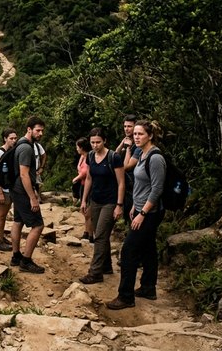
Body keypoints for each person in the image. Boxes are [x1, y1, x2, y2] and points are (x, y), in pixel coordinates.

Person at [107, 120, 166, 310]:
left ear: (150, 135)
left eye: (140, 134)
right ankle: (149, 288)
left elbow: (157, 190)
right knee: (148, 248)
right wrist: (134, 207)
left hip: (150, 212)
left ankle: (125, 296)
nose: (137, 137)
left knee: (129, 251)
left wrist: (142, 212)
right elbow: (139, 182)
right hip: (140, 208)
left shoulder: (156, 158)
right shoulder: (142, 153)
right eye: (135, 134)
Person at [79, 127, 126, 284]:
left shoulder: (114, 157)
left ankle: (95, 272)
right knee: (101, 234)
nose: (95, 145)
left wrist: (119, 205)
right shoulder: (91, 156)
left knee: (99, 235)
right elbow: (90, 179)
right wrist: (84, 200)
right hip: (96, 200)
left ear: (104, 141)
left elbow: (121, 183)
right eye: (92, 142)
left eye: (98, 142)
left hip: (110, 201)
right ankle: (106, 266)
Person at [10, 116, 47, 273]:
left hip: (16, 190)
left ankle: (16, 256)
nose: (40, 133)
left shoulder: (21, 144)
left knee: (18, 221)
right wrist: (33, 197)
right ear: (29, 129)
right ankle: (26, 261)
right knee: (38, 225)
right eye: (38, 130)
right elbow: (24, 174)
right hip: (23, 191)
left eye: (42, 131)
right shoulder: (26, 148)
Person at [115, 114, 138, 226]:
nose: (126, 129)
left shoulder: (138, 146)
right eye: (125, 126)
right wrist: (122, 144)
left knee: (131, 215)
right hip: (126, 185)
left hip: (134, 186)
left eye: (129, 126)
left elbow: (126, 166)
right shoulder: (127, 141)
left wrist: (128, 148)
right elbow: (115, 155)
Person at [71, 137, 94, 242]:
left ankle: (90, 234)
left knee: (88, 211)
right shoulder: (82, 157)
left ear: (81, 147)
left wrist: (77, 178)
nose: (76, 149)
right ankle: (86, 231)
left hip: (89, 186)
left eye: (77, 146)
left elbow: (85, 172)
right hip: (82, 184)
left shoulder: (89, 157)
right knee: (84, 210)